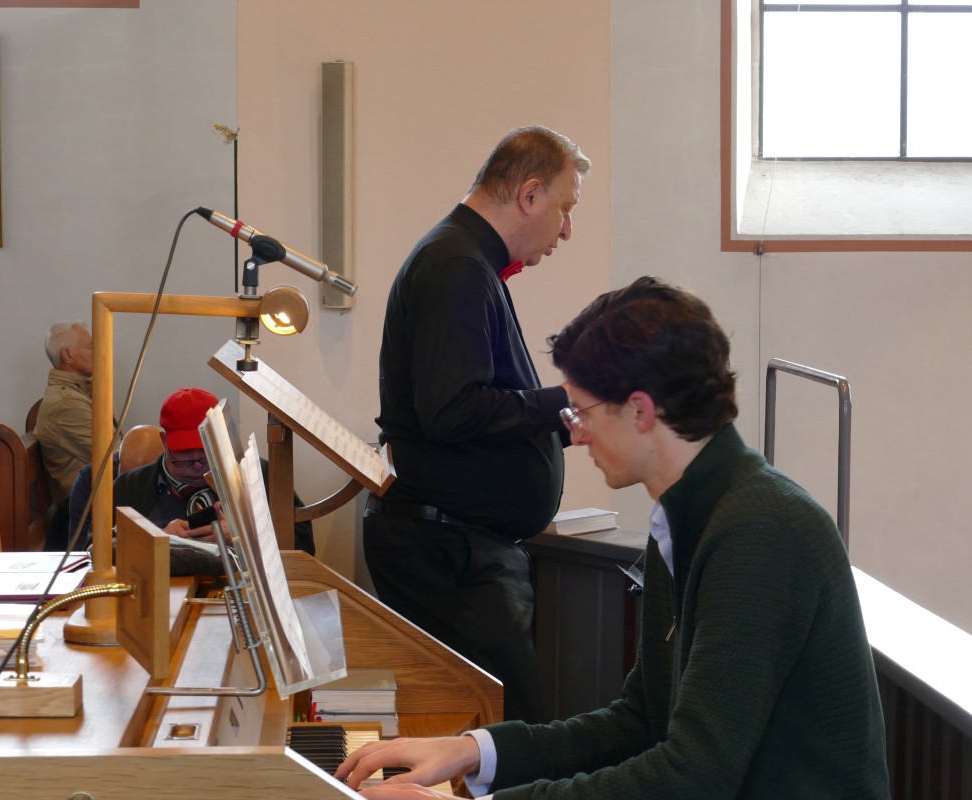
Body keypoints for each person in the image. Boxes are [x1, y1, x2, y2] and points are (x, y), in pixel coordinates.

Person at [337, 277, 889, 799]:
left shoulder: (760, 531)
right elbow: (640, 721)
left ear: (641, 410)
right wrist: (473, 751)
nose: (575, 432)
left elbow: (694, 777)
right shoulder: (685, 515)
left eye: (581, 410)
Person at [363, 125, 591, 724]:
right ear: (530, 194)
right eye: (565, 208)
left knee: (498, 734)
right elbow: (452, 410)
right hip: (449, 554)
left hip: (459, 546)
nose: (567, 229)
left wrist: (564, 422)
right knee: (511, 733)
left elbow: (474, 406)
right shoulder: (456, 265)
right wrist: (560, 400)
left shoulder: (465, 259)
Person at [112, 387, 315, 569]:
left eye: (204, 450)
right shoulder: (128, 487)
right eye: (184, 452)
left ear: (221, 437)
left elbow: (304, 546)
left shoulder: (259, 475)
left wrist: (244, 537)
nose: (196, 464)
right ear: (165, 442)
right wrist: (155, 540)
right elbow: (99, 552)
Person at [67, 424, 165, 550]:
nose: (133, 485)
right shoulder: (92, 480)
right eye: (126, 476)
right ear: (118, 457)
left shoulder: (175, 480)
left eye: (142, 477)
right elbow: (81, 547)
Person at [33, 321, 99, 504]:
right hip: (85, 510)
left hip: (94, 499)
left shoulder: (76, 393)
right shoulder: (66, 404)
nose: (99, 352)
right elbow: (116, 455)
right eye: (91, 347)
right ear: (67, 355)